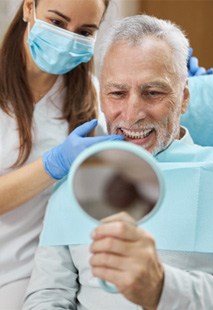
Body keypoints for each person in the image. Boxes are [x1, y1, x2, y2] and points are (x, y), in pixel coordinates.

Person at [23, 14, 213, 310]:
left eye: (153, 92)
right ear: (102, 99)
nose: (132, 113)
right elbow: (47, 295)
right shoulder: (74, 182)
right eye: (117, 93)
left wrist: (161, 287)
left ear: (184, 97)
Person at [0, 0, 127, 308]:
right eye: (57, 23)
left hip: (32, 269)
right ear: (29, 7)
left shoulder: (91, 97)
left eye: (84, 31)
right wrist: (54, 164)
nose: (69, 38)